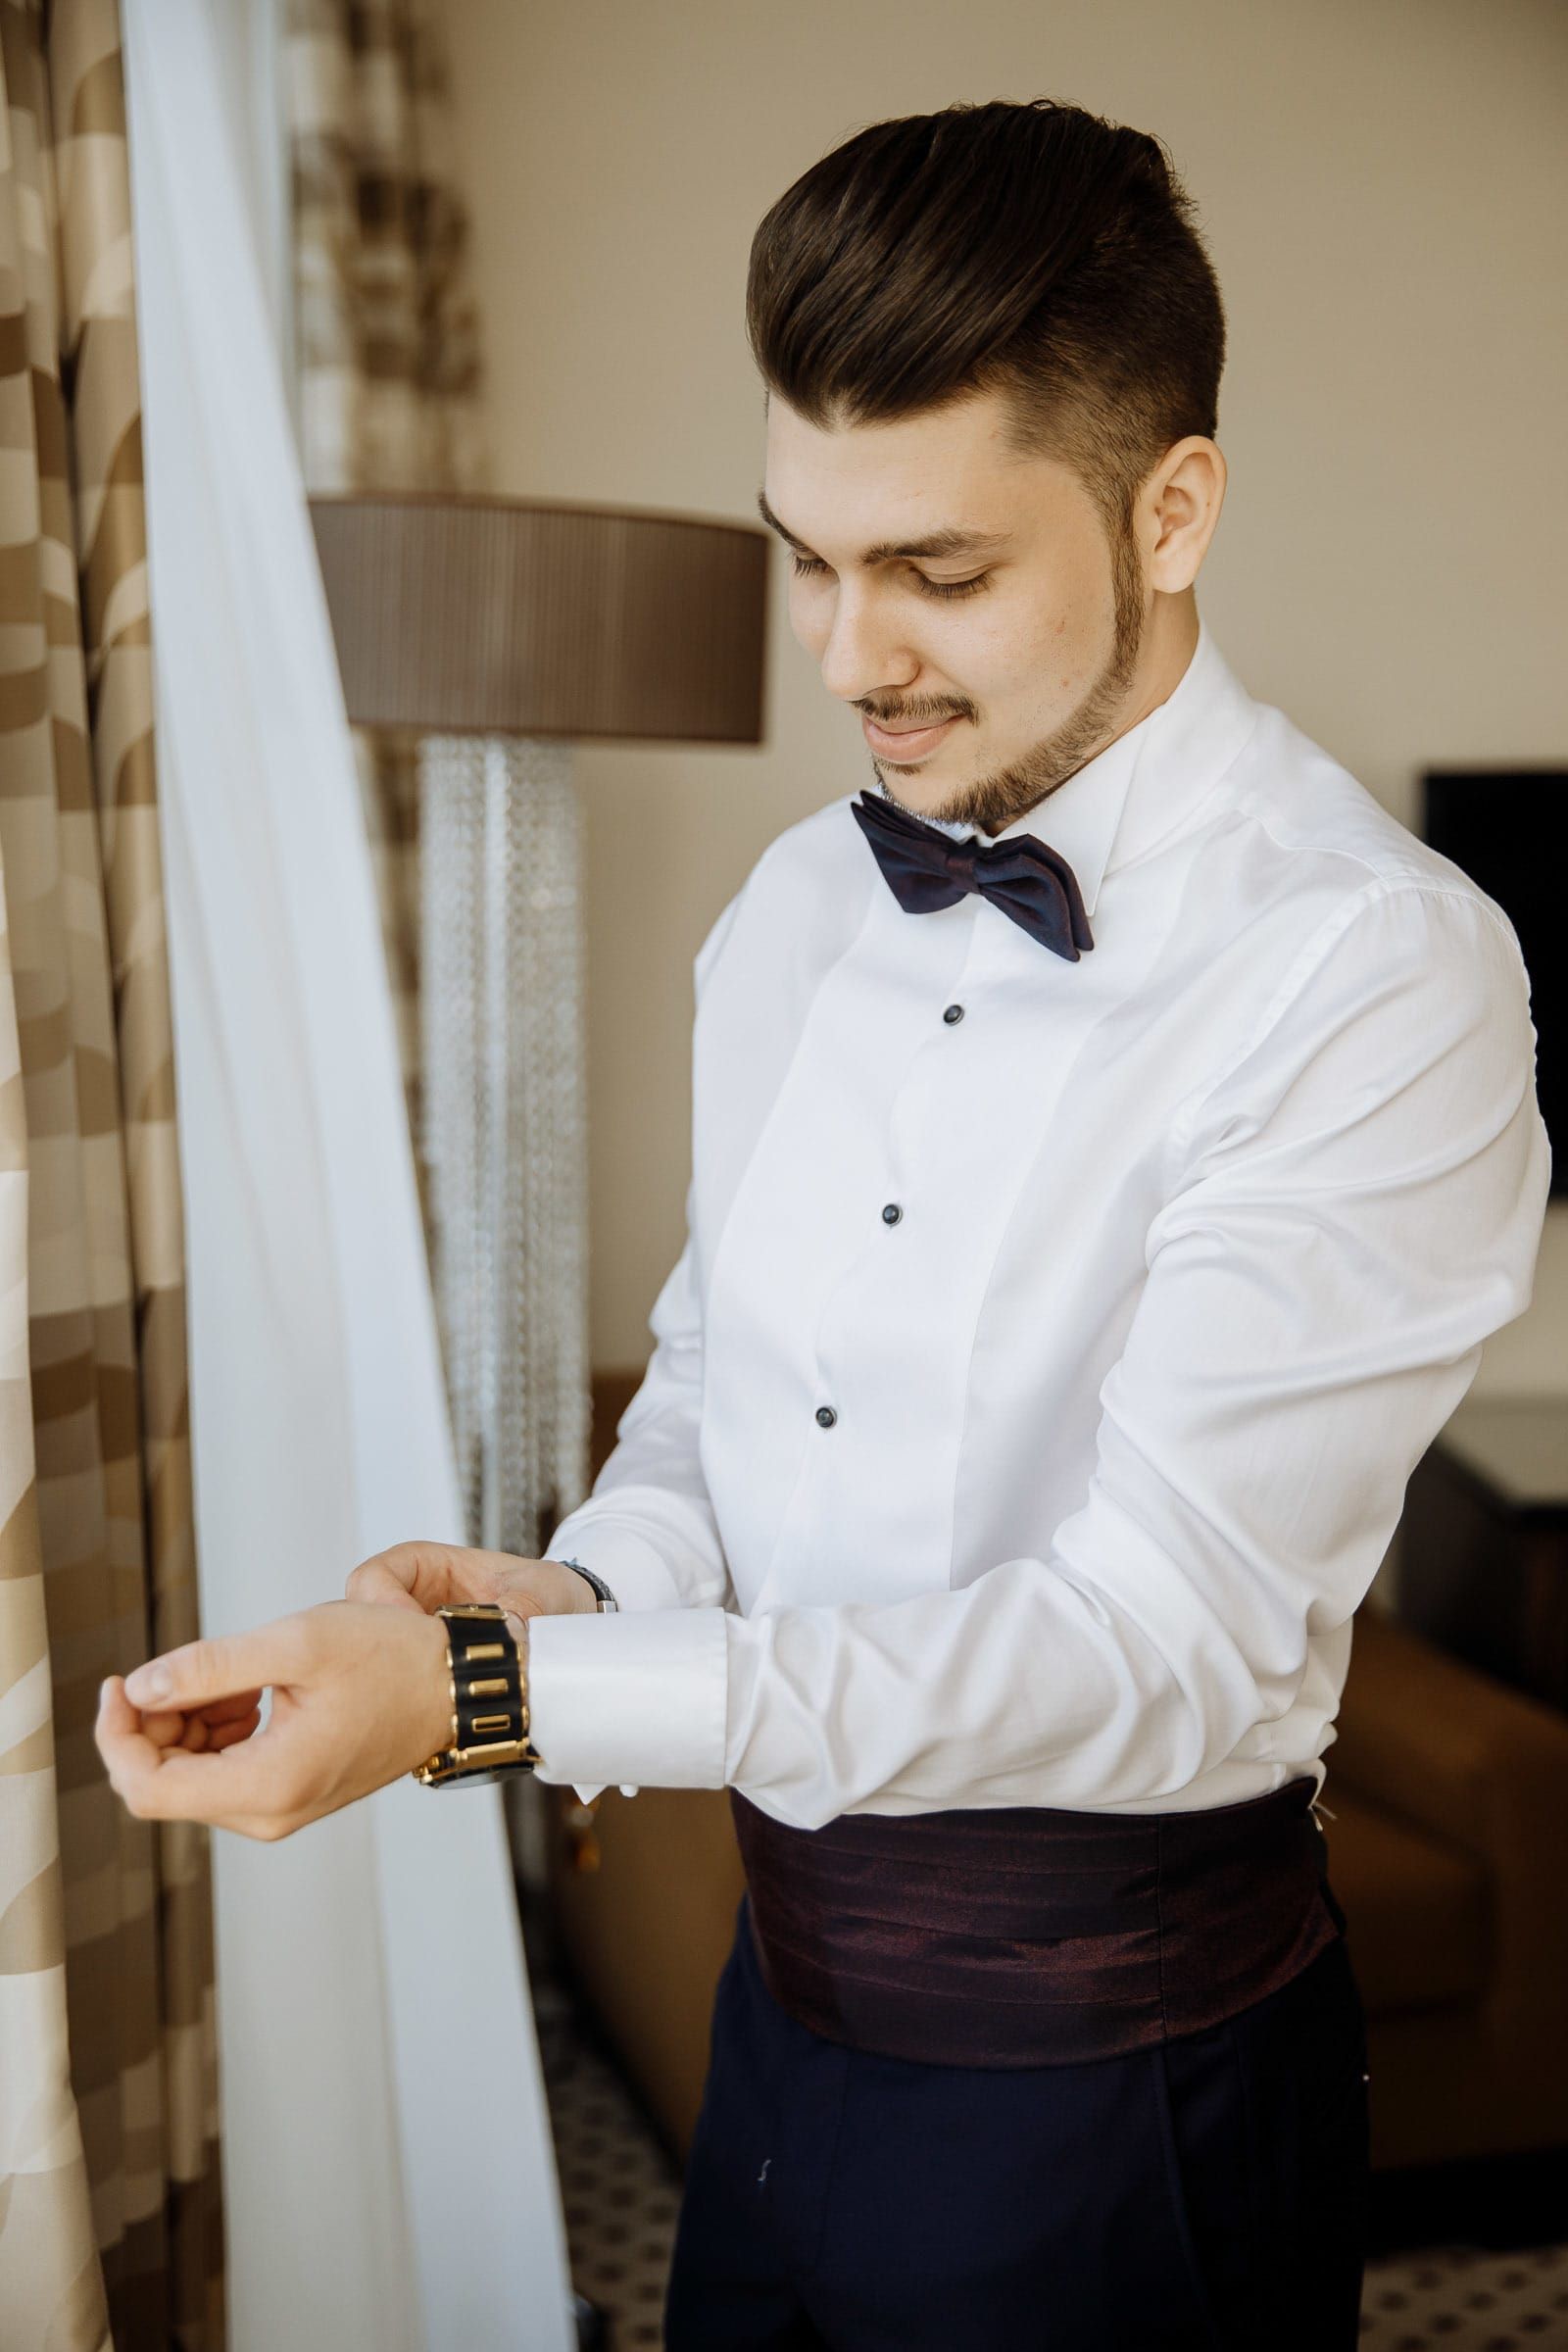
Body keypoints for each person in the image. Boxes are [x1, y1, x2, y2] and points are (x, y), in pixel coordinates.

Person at [98, 96, 1551, 2351]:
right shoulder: (795, 906)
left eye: (935, 574)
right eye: (805, 558)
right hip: (772, 2029)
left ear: (1171, 512)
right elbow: (717, 1390)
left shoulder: (1372, 971)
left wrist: (488, 1694)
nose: (847, 656)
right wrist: (593, 1583)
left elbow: (1149, 1648)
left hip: (1116, 2102)